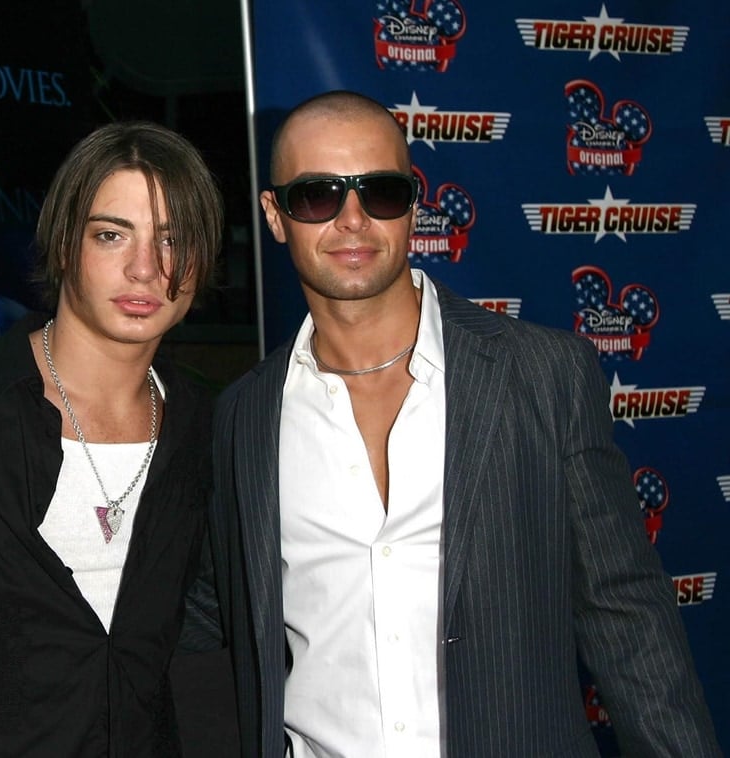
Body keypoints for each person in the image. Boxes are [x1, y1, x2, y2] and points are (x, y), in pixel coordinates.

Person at [198, 91, 721, 757]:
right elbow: (218, 629)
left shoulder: (539, 372)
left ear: (414, 205)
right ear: (275, 216)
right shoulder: (243, 416)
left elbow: (627, 617)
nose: (352, 219)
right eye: (318, 196)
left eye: (380, 192)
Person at [0, 121, 223, 756]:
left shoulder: (210, 425)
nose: (144, 269)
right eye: (112, 235)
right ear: (62, 245)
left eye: (173, 240)